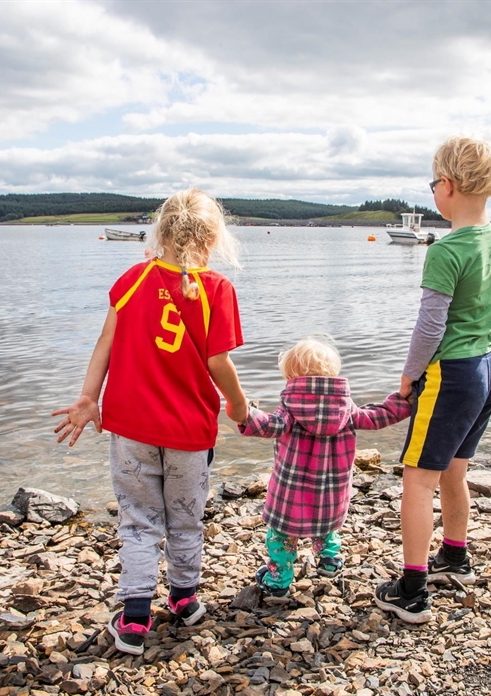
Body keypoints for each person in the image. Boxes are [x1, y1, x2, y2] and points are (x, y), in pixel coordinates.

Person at [52, 188, 248, 655]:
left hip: (132, 430)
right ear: (213, 236)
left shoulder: (134, 279)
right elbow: (218, 363)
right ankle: (184, 600)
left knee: (139, 522)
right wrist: (239, 406)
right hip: (189, 433)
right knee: (185, 518)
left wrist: (88, 398)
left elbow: (105, 343)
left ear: (160, 232)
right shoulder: (217, 290)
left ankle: (136, 618)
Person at [374, 136, 491, 624]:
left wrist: (409, 377)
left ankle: (411, 589)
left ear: (446, 187)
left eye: (433, 184)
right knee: (454, 469)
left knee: (417, 477)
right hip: (488, 367)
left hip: (451, 373)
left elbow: (430, 324)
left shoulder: (446, 249)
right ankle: (454, 556)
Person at [239, 336, 411, 596]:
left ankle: (279, 582)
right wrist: (403, 402)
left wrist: (246, 413)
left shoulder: (291, 404)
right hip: (331, 491)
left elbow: (271, 425)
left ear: (291, 375)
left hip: (291, 492)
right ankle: (329, 563)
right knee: (326, 528)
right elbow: (375, 416)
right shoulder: (345, 405)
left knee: (281, 537)